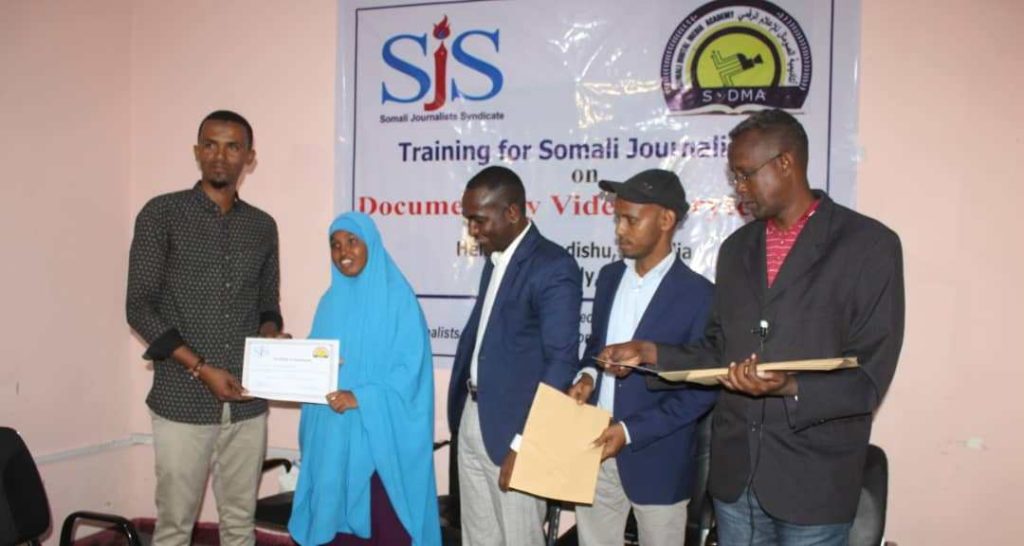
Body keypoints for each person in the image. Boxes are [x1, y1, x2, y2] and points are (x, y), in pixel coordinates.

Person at [598, 109, 905, 545]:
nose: (738, 190)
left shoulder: (868, 246)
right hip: (736, 480)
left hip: (812, 483)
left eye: (745, 175)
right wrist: (652, 352)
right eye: (734, 178)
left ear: (785, 163)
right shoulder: (737, 249)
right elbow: (718, 351)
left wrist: (788, 386)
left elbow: (870, 376)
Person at [127, 110, 286, 546]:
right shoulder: (161, 214)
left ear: (249, 157)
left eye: (232, 146)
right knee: (175, 528)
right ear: (197, 152)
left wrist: (271, 333)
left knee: (239, 525)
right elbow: (139, 307)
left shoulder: (262, 226)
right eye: (211, 144)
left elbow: (267, 305)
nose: (220, 155)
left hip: (248, 405)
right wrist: (200, 368)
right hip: (181, 400)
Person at [567, 169, 717, 546]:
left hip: (659, 461)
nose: (619, 229)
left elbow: (700, 391)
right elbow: (594, 348)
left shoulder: (700, 296)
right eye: (617, 218)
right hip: (596, 447)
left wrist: (632, 431)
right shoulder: (607, 277)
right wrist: (587, 376)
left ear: (667, 220)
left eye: (631, 219)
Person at [447, 165, 582, 545]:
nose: (472, 229)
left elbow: (561, 363)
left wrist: (527, 443)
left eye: (478, 219)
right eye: (468, 220)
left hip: (516, 431)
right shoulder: (496, 259)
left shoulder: (554, 266)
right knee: (478, 538)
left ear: (512, 212)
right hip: (475, 418)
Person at [288, 212, 441, 546]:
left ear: (370, 243)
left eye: (352, 241)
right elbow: (317, 363)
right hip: (335, 440)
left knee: (386, 531)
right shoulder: (328, 303)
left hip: (381, 441)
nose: (344, 251)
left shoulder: (399, 299)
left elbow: (410, 372)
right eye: (335, 244)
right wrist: (294, 369)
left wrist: (362, 397)